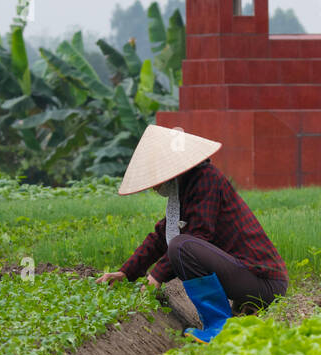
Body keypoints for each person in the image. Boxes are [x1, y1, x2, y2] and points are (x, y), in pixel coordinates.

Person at [96, 125, 288, 343]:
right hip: (248, 279)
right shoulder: (185, 187)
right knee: (179, 243)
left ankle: (219, 326)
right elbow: (162, 234)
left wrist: (156, 276)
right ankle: (227, 318)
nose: (153, 187)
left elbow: (197, 235)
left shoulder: (204, 178)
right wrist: (126, 272)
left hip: (265, 283)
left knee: (182, 246)